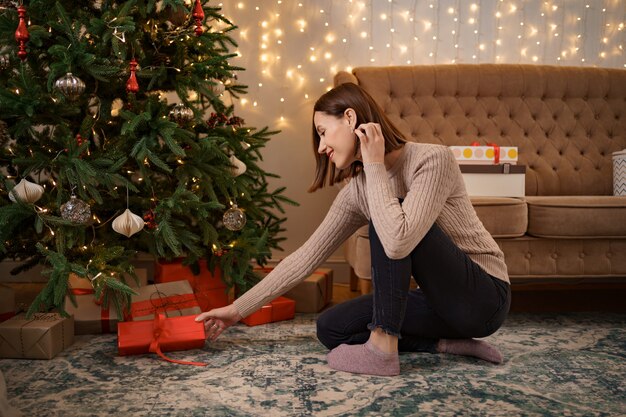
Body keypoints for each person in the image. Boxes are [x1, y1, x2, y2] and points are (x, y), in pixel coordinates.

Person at [196, 82, 511, 376]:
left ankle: (382, 350)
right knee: (331, 327)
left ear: (350, 118)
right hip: (439, 305)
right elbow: (304, 258)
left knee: (388, 222)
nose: (321, 147)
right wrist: (237, 311)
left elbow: (398, 242)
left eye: (323, 132)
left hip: (483, 298)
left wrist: (374, 164)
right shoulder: (357, 190)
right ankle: (440, 344)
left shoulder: (431, 159)